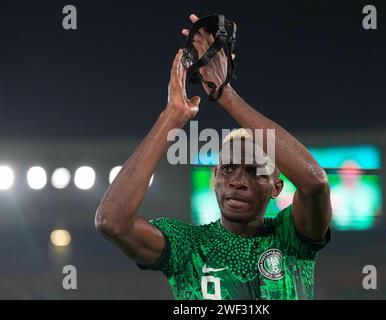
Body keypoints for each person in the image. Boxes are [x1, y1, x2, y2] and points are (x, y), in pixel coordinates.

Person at [95, 14, 332, 300]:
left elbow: (315, 183)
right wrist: (172, 117)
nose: (237, 182)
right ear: (215, 178)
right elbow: (111, 222)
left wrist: (225, 94)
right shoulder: (188, 245)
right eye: (228, 169)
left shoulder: (291, 236)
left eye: (254, 171)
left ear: (276, 187)